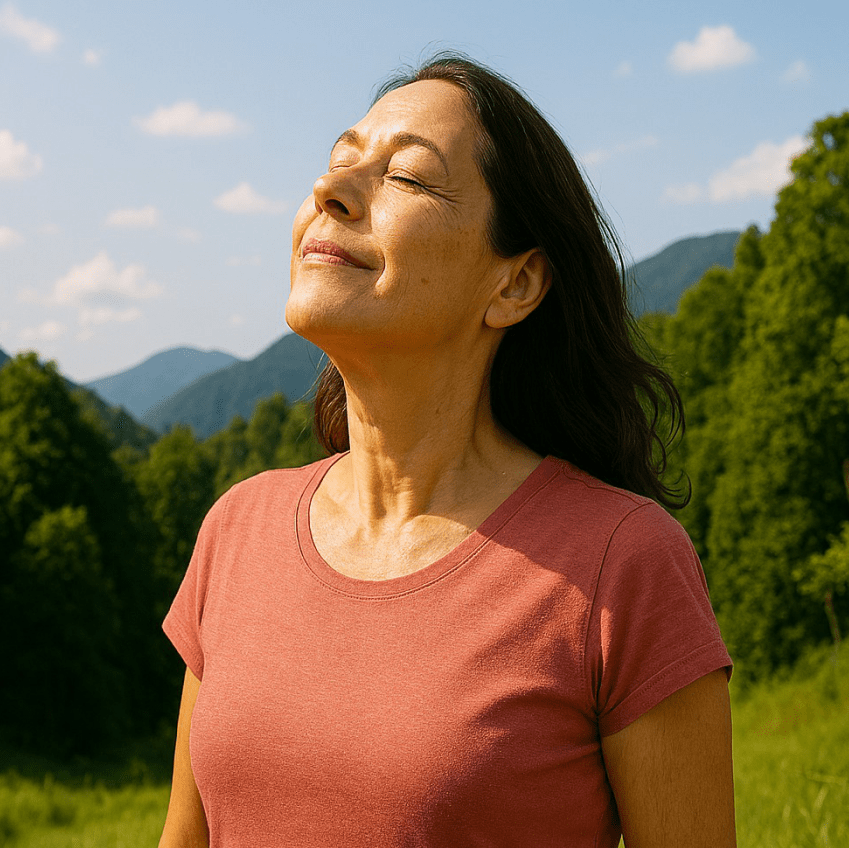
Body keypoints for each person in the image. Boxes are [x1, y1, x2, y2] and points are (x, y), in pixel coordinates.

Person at [157, 52, 736, 848]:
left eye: (409, 178)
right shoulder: (237, 530)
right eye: (339, 160)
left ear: (516, 284)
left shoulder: (622, 565)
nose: (330, 191)